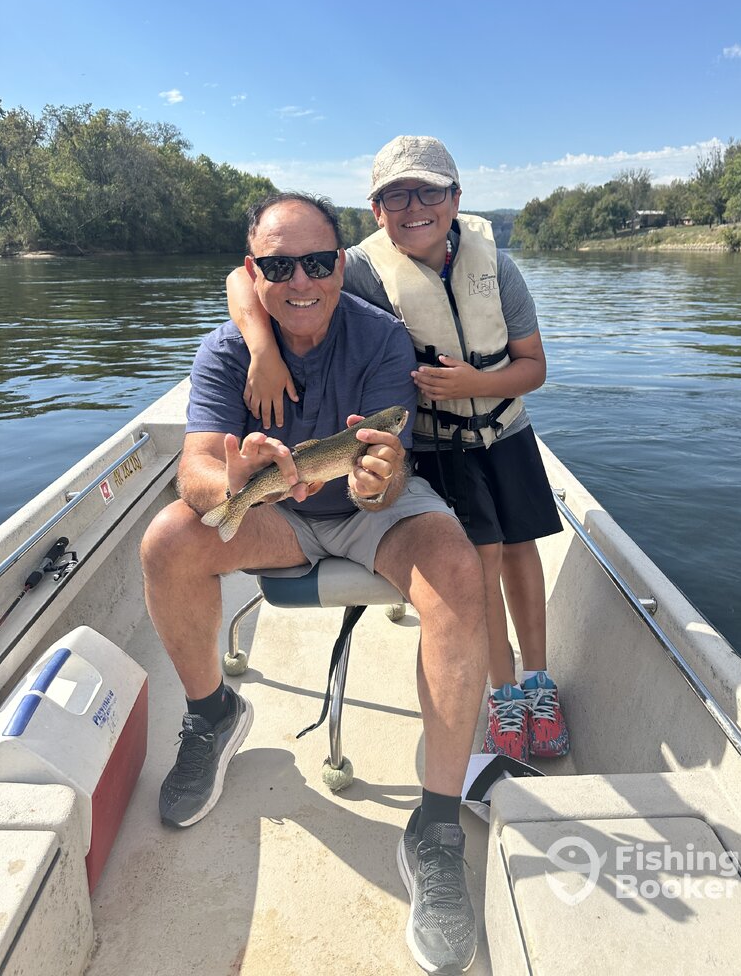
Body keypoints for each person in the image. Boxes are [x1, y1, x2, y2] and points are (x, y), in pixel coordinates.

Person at [140, 192, 487, 976]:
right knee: (167, 539)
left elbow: (388, 473)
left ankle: (435, 827)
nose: (301, 280)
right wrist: (230, 482)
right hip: (275, 511)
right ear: (254, 270)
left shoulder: (382, 337)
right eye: (279, 266)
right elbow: (196, 470)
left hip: (371, 514)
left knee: (459, 570)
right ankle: (212, 715)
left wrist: (378, 480)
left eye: (319, 262)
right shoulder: (225, 351)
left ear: (340, 264)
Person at [227, 137, 570, 764]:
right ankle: (502, 690)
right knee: (482, 558)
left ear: (455, 199)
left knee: (521, 551)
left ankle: (538, 681)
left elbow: (534, 367)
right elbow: (240, 279)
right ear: (376, 210)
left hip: (506, 432)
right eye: (396, 196)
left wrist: (475, 383)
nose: (415, 208)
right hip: (434, 447)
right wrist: (263, 350)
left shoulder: (498, 267)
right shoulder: (354, 266)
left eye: (429, 192)